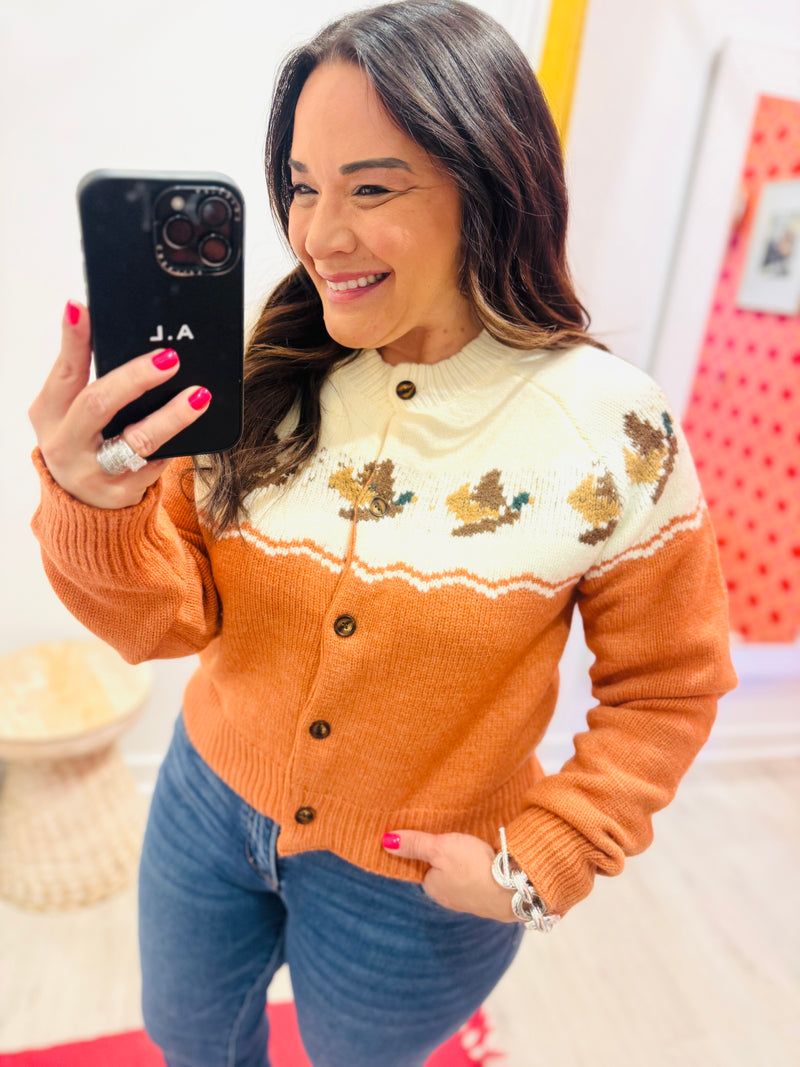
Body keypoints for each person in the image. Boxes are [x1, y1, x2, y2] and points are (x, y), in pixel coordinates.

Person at [28, 2, 737, 1065]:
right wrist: (101, 507)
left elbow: (668, 685)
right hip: (204, 801)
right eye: (303, 186)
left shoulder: (613, 429)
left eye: (370, 188)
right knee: (188, 1038)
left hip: (416, 880)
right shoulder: (260, 364)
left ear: (489, 185)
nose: (317, 234)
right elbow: (164, 624)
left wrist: (545, 855)